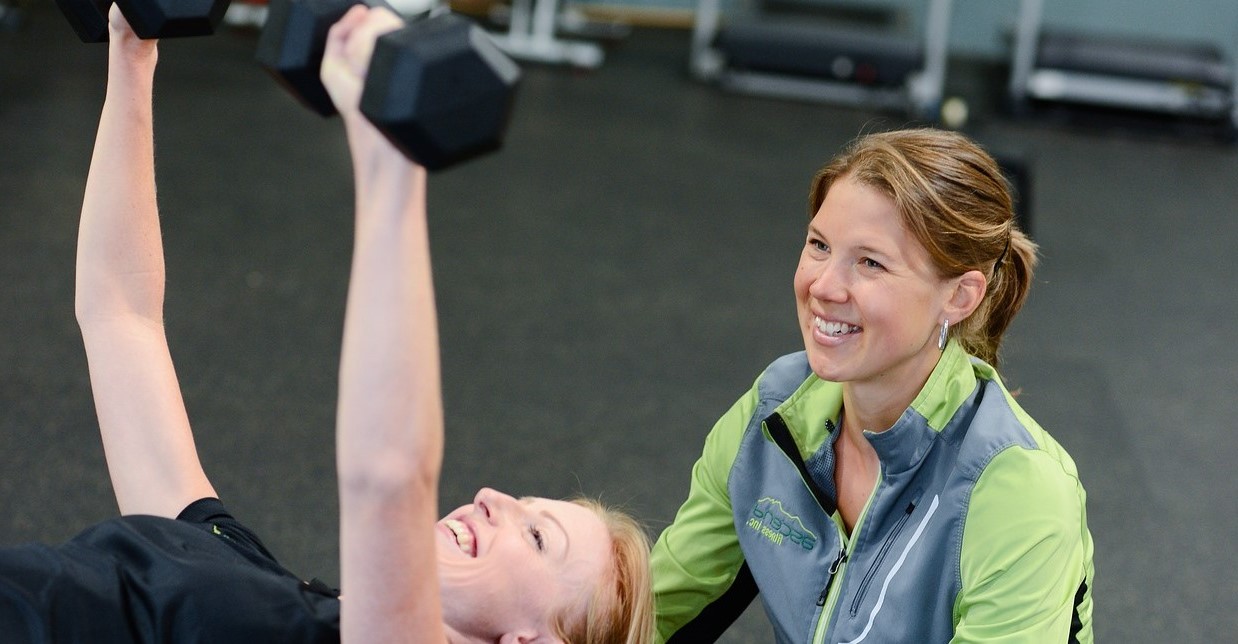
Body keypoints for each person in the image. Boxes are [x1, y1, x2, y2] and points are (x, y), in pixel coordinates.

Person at [0, 6, 653, 643]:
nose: (492, 497)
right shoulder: (255, 579)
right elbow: (121, 316)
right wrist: (133, 53)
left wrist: (391, 158)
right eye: (524, 502)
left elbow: (389, 478)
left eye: (537, 537)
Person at [650, 129, 1095, 642]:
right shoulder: (775, 414)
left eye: (870, 262)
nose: (823, 286)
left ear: (960, 297)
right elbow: (660, 608)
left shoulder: (1017, 489)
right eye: (819, 245)